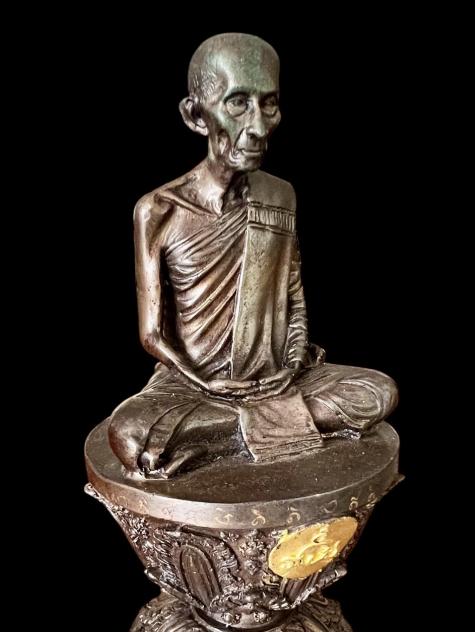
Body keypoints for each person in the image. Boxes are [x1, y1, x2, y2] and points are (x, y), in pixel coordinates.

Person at [109, 33, 397, 478]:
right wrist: (207, 383)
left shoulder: (279, 195)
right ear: (195, 116)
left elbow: (294, 299)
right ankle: (274, 425)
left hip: (275, 377)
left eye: (270, 104)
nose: (259, 127)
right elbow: (151, 335)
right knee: (129, 433)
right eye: (238, 103)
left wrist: (292, 366)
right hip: (193, 384)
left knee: (378, 391)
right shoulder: (159, 210)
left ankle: (226, 432)